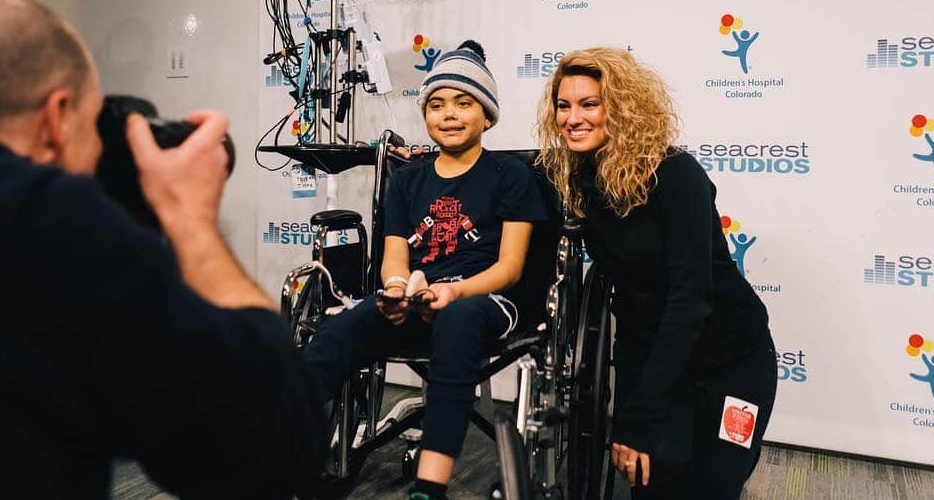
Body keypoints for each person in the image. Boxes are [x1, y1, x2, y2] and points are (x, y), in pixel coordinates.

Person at [0, 0, 327, 499]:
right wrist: (189, 220)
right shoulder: (51, 220)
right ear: (57, 118)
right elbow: (276, 443)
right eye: (93, 129)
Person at [304, 40, 547, 500]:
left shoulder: (510, 174)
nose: (449, 114)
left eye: (463, 103)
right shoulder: (408, 179)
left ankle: (429, 488)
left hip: (484, 300)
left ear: (487, 115)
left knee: (457, 320)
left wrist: (454, 293)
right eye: (436, 105)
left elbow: (511, 268)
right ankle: (288, 464)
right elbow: (394, 256)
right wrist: (396, 289)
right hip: (416, 298)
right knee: (333, 335)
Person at [535, 48, 777, 500]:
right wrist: (630, 417)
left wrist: (640, 418)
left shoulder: (676, 175)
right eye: (563, 106)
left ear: (622, 108)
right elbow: (628, 306)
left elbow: (690, 300)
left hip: (733, 359)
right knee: (653, 483)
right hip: (662, 362)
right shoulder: (581, 181)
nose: (572, 118)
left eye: (590, 104)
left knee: (709, 489)